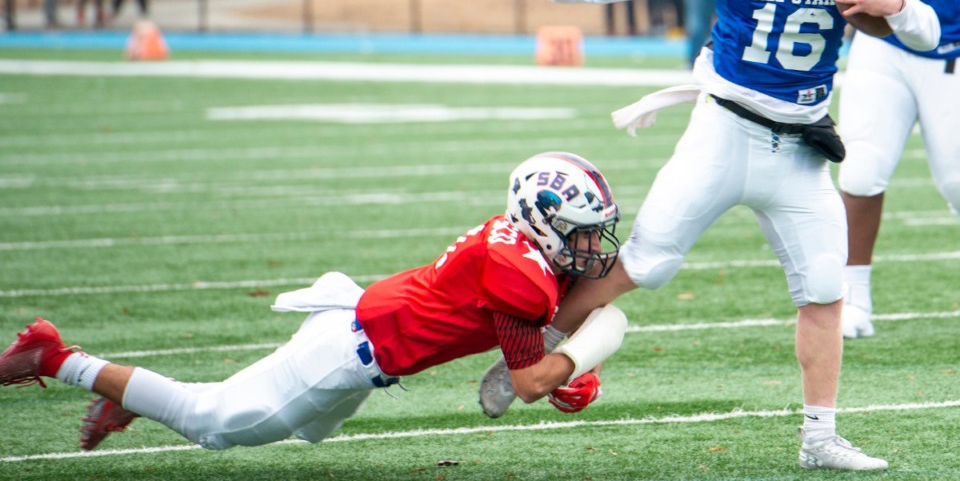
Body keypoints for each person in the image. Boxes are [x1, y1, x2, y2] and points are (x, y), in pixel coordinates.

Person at [486, 0, 941, 471]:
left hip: (803, 149)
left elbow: (925, 34)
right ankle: (527, 355)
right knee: (644, 262)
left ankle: (819, 437)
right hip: (724, 129)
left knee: (823, 287)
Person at [0, 152, 627, 452]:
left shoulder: (516, 241)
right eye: (582, 231)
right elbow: (527, 384)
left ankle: (128, 392)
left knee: (313, 429)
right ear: (544, 223)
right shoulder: (521, 273)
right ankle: (55, 357)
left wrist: (574, 346)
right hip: (350, 350)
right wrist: (591, 349)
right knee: (215, 423)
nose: (592, 245)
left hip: (363, 321)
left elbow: (548, 319)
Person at [837, 0, 960, 340]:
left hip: (946, 39)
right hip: (881, 40)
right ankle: (853, 301)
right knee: (860, 170)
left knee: (957, 183)